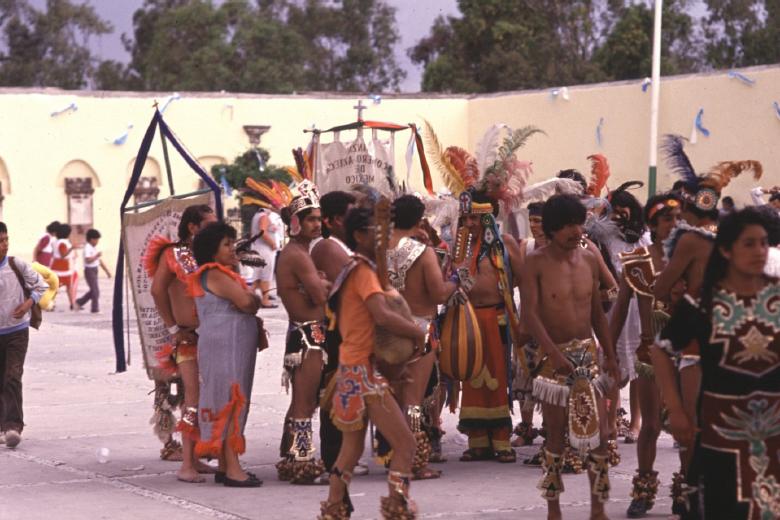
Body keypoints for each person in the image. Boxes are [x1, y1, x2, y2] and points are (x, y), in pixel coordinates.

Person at [651, 207, 779, 520]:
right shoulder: (704, 301)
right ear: (725, 249)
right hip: (721, 434)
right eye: (748, 244)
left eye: (763, 243)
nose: (759, 251)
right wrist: (677, 410)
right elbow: (661, 350)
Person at [320, 206, 424, 519]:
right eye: (375, 230)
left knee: (350, 451)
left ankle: (334, 510)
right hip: (363, 375)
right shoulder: (362, 272)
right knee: (406, 445)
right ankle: (397, 509)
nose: (382, 235)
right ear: (359, 235)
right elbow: (383, 314)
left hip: (350, 371)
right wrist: (417, 332)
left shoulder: (356, 268)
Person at [521, 194, 619, 520]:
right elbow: (531, 316)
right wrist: (553, 353)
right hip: (554, 361)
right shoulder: (535, 262)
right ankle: (554, 510)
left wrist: (611, 355)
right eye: (567, 225)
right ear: (552, 228)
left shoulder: (590, 259)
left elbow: (597, 314)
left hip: (588, 358)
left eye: (578, 223)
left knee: (601, 438)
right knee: (555, 437)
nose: (575, 230)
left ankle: (598, 509)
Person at [610, 193, 682, 517]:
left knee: (686, 428)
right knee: (651, 426)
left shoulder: (691, 259)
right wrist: (608, 353)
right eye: (668, 218)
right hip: (649, 354)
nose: (675, 223)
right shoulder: (637, 262)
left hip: (686, 355)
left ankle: (686, 490)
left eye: (679, 216)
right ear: (653, 224)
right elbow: (620, 310)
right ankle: (643, 491)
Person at [382, 194, 457, 480]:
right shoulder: (423, 253)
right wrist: (457, 280)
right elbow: (438, 293)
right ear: (419, 218)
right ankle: (413, 461)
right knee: (413, 399)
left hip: (386, 330)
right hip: (419, 330)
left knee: (393, 396)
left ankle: (392, 455)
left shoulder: (378, 249)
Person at [146, 204, 217, 480]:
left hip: (212, 336)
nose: (213, 227)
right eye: (208, 223)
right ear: (192, 227)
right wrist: (174, 327)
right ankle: (187, 465)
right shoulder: (174, 254)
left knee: (206, 398)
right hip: (188, 338)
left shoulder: (208, 252)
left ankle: (197, 457)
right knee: (192, 400)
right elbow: (157, 289)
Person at [191, 221, 262, 487]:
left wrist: (248, 295)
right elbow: (247, 304)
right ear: (212, 251)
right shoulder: (215, 274)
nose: (233, 249)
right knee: (232, 398)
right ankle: (233, 468)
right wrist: (251, 295)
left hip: (226, 344)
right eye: (227, 245)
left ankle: (224, 463)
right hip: (227, 346)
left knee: (225, 396)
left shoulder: (220, 274)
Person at [455, 190, 524, 464]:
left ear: (486, 217)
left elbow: (523, 277)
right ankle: (477, 442)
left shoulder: (504, 243)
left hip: (497, 319)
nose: (468, 224)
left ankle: (501, 440)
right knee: (471, 378)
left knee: (497, 377)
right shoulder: (460, 248)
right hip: (468, 322)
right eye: (465, 218)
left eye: (473, 218)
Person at [275, 181, 330, 484]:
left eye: (319, 218)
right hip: (308, 336)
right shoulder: (296, 254)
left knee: (305, 399)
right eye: (310, 219)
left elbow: (318, 290)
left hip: (309, 333)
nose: (317, 224)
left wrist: (320, 282)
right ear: (296, 223)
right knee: (305, 402)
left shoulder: (299, 252)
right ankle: (302, 461)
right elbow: (321, 296)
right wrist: (323, 283)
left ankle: (291, 454)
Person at [310, 190, 361, 481]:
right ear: (337, 220)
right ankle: (335, 458)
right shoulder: (329, 247)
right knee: (336, 391)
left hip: (346, 328)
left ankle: (343, 456)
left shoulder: (340, 245)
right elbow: (350, 286)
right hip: (336, 330)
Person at [0, 221, 47, 449]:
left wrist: (28, 303)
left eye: (6, 239)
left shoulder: (16, 264)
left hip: (17, 332)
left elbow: (41, 286)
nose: (4, 245)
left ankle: (13, 427)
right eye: (0, 241)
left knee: (12, 376)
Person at [512, 202, 546, 448]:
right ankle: (526, 427)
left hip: (552, 320)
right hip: (527, 316)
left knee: (548, 376)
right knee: (525, 371)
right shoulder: (526, 247)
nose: (534, 225)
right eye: (531, 221)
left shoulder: (561, 249)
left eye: (539, 221)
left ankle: (551, 429)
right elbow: (515, 280)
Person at [75, 229, 111, 313]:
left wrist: (107, 271)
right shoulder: (87, 247)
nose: (97, 241)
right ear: (92, 239)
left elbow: (99, 261)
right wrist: (96, 256)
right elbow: (88, 260)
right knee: (95, 291)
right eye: (96, 239)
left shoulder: (94, 248)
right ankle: (95, 309)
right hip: (89, 270)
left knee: (93, 290)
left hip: (95, 270)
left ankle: (79, 302)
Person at [250, 207, 279, 308]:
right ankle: (265, 300)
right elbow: (263, 232)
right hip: (265, 250)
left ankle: (249, 295)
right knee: (266, 275)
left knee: (258, 276)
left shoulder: (256, 216)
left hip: (258, 248)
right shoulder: (264, 217)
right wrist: (273, 244)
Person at [50, 223, 77, 310]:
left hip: (58, 266)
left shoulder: (55, 242)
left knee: (56, 288)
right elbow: (63, 254)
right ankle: (71, 303)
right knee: (67, 287)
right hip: (62, 268)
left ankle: (51, 304)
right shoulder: (62, 243)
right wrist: (72, 248)